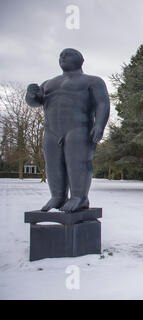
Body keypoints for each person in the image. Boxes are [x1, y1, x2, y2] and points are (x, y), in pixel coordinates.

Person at [25, 48, 110, 212]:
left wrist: (99, 125)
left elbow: (102, 103)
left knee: (77, 163)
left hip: (79, 128)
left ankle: (79, 197)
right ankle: (57, 196)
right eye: (61, 55)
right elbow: (35, 102)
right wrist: (31, 94)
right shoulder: (49, 83)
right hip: (51, 130)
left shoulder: (92, 81)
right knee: (53, 164)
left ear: (81, 60)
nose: (63, 57)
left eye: (68, 54)